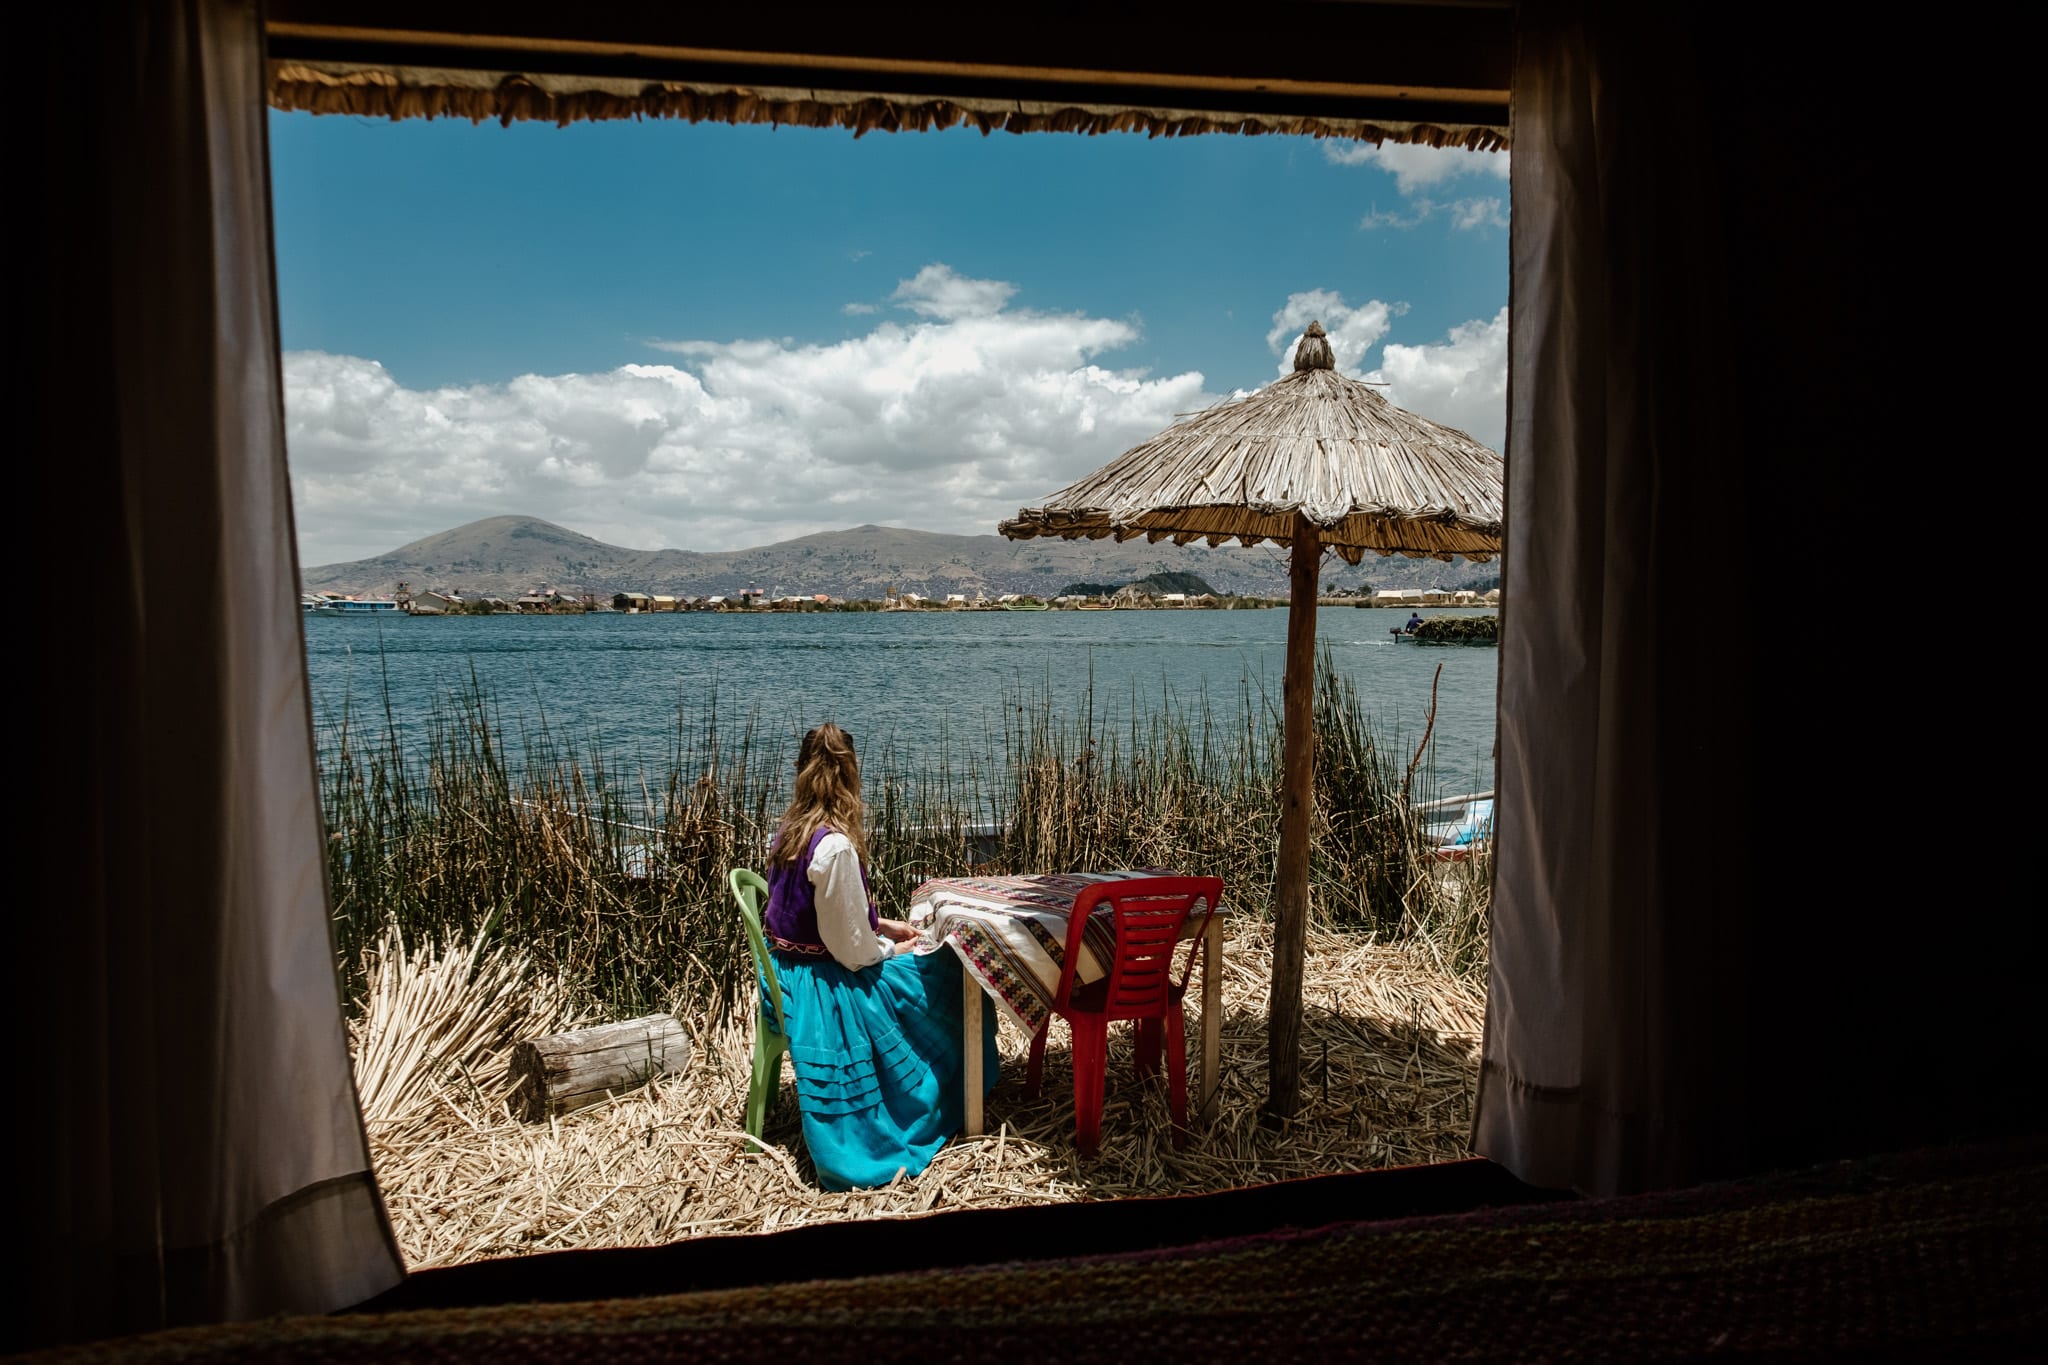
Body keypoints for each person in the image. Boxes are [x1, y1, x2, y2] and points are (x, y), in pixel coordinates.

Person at [762, 722, 998, 1190]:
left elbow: (816, 915)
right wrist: (897, 947)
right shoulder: (834, 847)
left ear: (801, 773)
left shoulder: (788, 832)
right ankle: (945, 1096)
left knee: (924, 962)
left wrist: (881, 924)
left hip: (784, 973)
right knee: (948, 971)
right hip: (822, 984)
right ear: (851, 776)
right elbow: (853, 953)